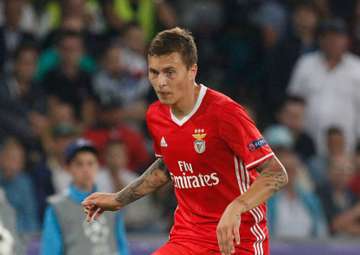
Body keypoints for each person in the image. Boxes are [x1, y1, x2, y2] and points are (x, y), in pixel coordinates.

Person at [83, 27, 288, 255]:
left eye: (170, 72)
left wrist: (236, 208)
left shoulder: (224, 112)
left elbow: (276, 173)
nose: (160, 82)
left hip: (237, 240)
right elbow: (167, 166)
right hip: (187, 238)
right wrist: (119, 199)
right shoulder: (156, 115)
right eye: (154, 72)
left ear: (192, 70)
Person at [41, 138, 129, 255]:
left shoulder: (111, 201)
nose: (86, 169)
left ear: (98, 166)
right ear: (68, 168)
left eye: (90, 163)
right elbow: (50, 251)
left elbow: (122, 247)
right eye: (79, 164)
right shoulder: (57, 207)